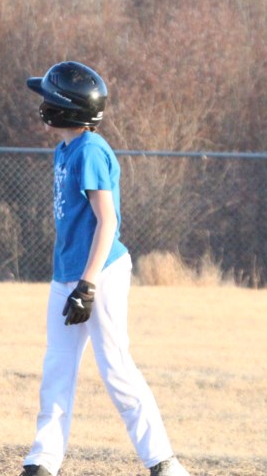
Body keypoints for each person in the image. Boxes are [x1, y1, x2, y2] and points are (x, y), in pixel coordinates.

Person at [19, 61, 190, 476]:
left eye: (49, 98)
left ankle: (164, 462)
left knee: (115, 366)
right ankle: (43, 458)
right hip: (68, 274)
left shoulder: (92, 150)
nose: (43, 104)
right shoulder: (65, 148)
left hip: (101, 273)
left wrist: (89, 284)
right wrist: (73, 281)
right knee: (57, 365)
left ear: (67, 109)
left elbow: (108, 222)